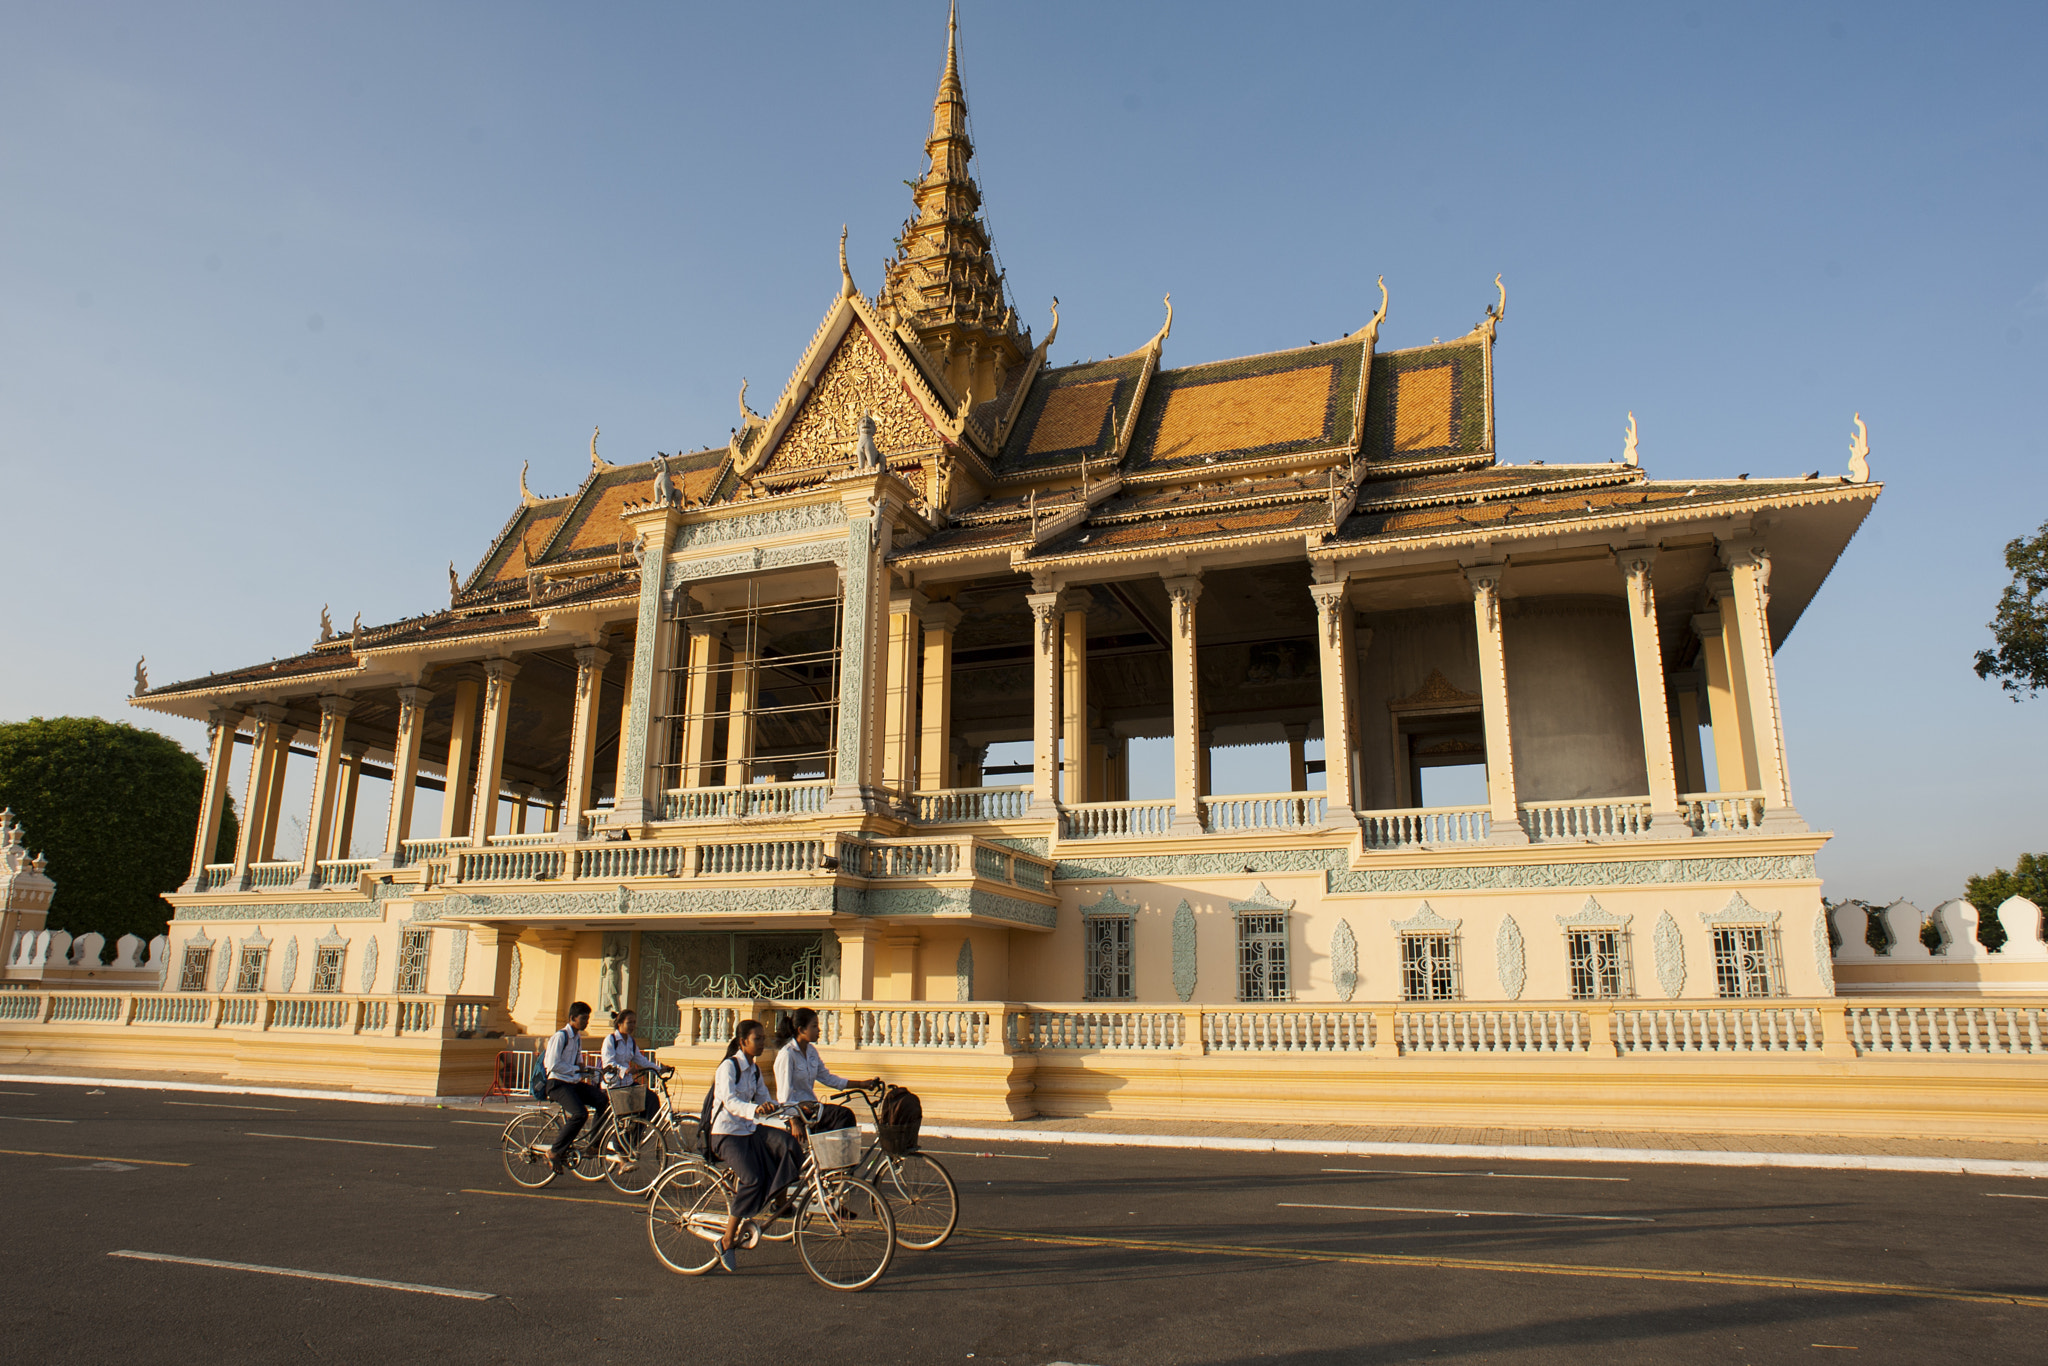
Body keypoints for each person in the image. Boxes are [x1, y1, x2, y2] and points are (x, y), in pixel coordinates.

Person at [709, 1018, 803, 1273]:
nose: (763, 1042)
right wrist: (756, 1109)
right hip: (727, 1134)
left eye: (763, 1038)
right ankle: (727, 1240)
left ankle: (777, 1201)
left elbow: (765, 1100)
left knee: (789, 1146)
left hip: (749, 1130)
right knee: (752, 1179)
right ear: (743, 1042)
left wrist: (794, 1112)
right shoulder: (729, 1068)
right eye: (757, 1039)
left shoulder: (755, 1069)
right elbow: (729, 1101)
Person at [772, 1007, 877, 1134]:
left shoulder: (811, 1051)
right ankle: (839, 1154)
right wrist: (793, 1121)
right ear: (801, 1030)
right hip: (798, 1113)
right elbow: (784, 1095)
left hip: (812, 1108)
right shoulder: (787, 1054)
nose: (819, 1030)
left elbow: (828, 1078)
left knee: (842, 1120)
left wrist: (861, 1084)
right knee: (844, 1115)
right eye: (814, 1026)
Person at [543, 1001, 604, 1173]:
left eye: (587, 1018)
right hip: (557, 1083)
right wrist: (576, 1069)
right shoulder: (560, 1037)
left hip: (572, 1082)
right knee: (580, 1113)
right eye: (583, 1018)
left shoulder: (577, 1039)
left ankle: (594, 1144)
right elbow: (552, 1064)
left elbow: (578, 1065)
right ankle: (555, 1151)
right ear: (572, 1018)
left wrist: (590, 1071)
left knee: (602, 1101)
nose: (587, 1022)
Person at [600, 1008, 667, 1126]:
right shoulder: (610, 1040)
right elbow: (608, 1062)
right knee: (624, 1117)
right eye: (629, 1022)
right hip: (614, 1085)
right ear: (620, 1023)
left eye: (634, 1023)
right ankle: (618, 1142)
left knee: (651, 1100)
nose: (632, 1026)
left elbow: (641, 1060)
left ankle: (641, 1133)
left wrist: (659, 1069)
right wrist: (625, 1070)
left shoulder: (631, 1041)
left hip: (628, 1084)